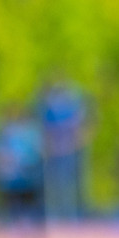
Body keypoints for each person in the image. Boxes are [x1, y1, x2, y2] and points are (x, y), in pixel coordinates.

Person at [0, 106, 45, 238]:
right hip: (12, 180)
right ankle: (7, 235)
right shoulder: (6, 135)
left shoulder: (28, 136)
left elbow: (34, 156)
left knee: (25, 210)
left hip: (24, 180)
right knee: (11, 209)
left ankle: (28, 236)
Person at [39, 78, 88, 222]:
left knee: (69, 185)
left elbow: (77, 128)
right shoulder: (50, 109)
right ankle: (56, 214)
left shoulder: (70, 108)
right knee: (54, 185)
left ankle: (70, 214)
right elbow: (46, 130)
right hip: (55, 151)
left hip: (68, 151)